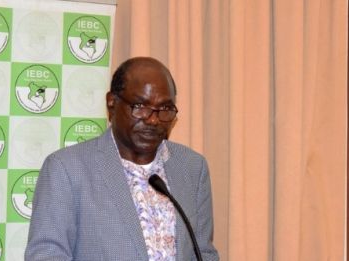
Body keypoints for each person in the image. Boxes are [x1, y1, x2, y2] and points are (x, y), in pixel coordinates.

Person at [25, 57, 219, 260]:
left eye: (165, 109)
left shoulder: (192, 168)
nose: (153, 120)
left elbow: (203, 252)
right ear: (112, 104)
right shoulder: (66, 169)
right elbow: (47, 255)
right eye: (141, 107)